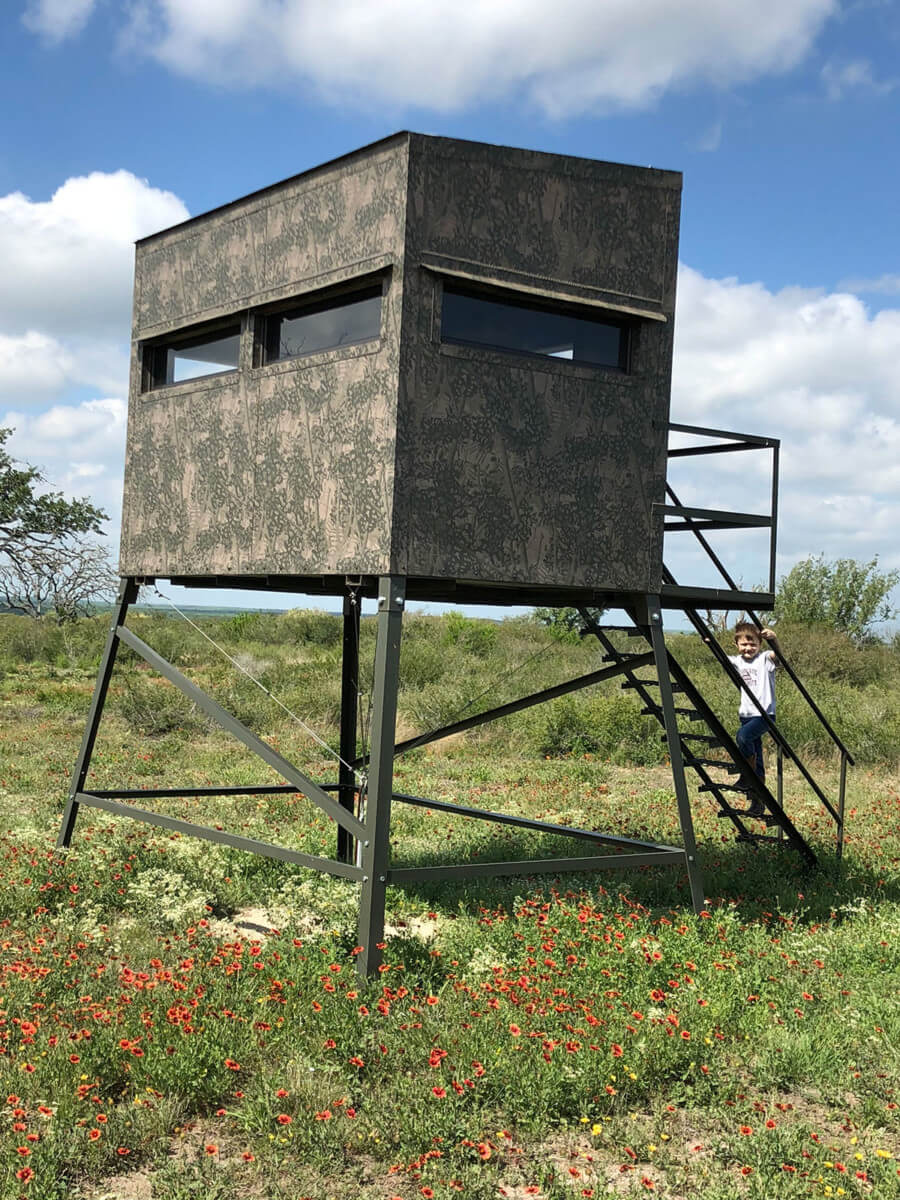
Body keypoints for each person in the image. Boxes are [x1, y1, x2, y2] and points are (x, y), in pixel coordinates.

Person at [727, 621, 781, 816]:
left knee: (742, 737)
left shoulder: (765, 659)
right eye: (743, 644)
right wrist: (707, 641)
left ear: (760, 644)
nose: (748, 648)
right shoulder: (737, 661)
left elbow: (778, 656)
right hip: (746, 714)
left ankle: (746, 775)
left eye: (753, 645)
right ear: (737, 645)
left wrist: (774, 639)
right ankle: (758, 802)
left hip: (764, 715)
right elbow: (719, 657)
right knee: (757, 761)